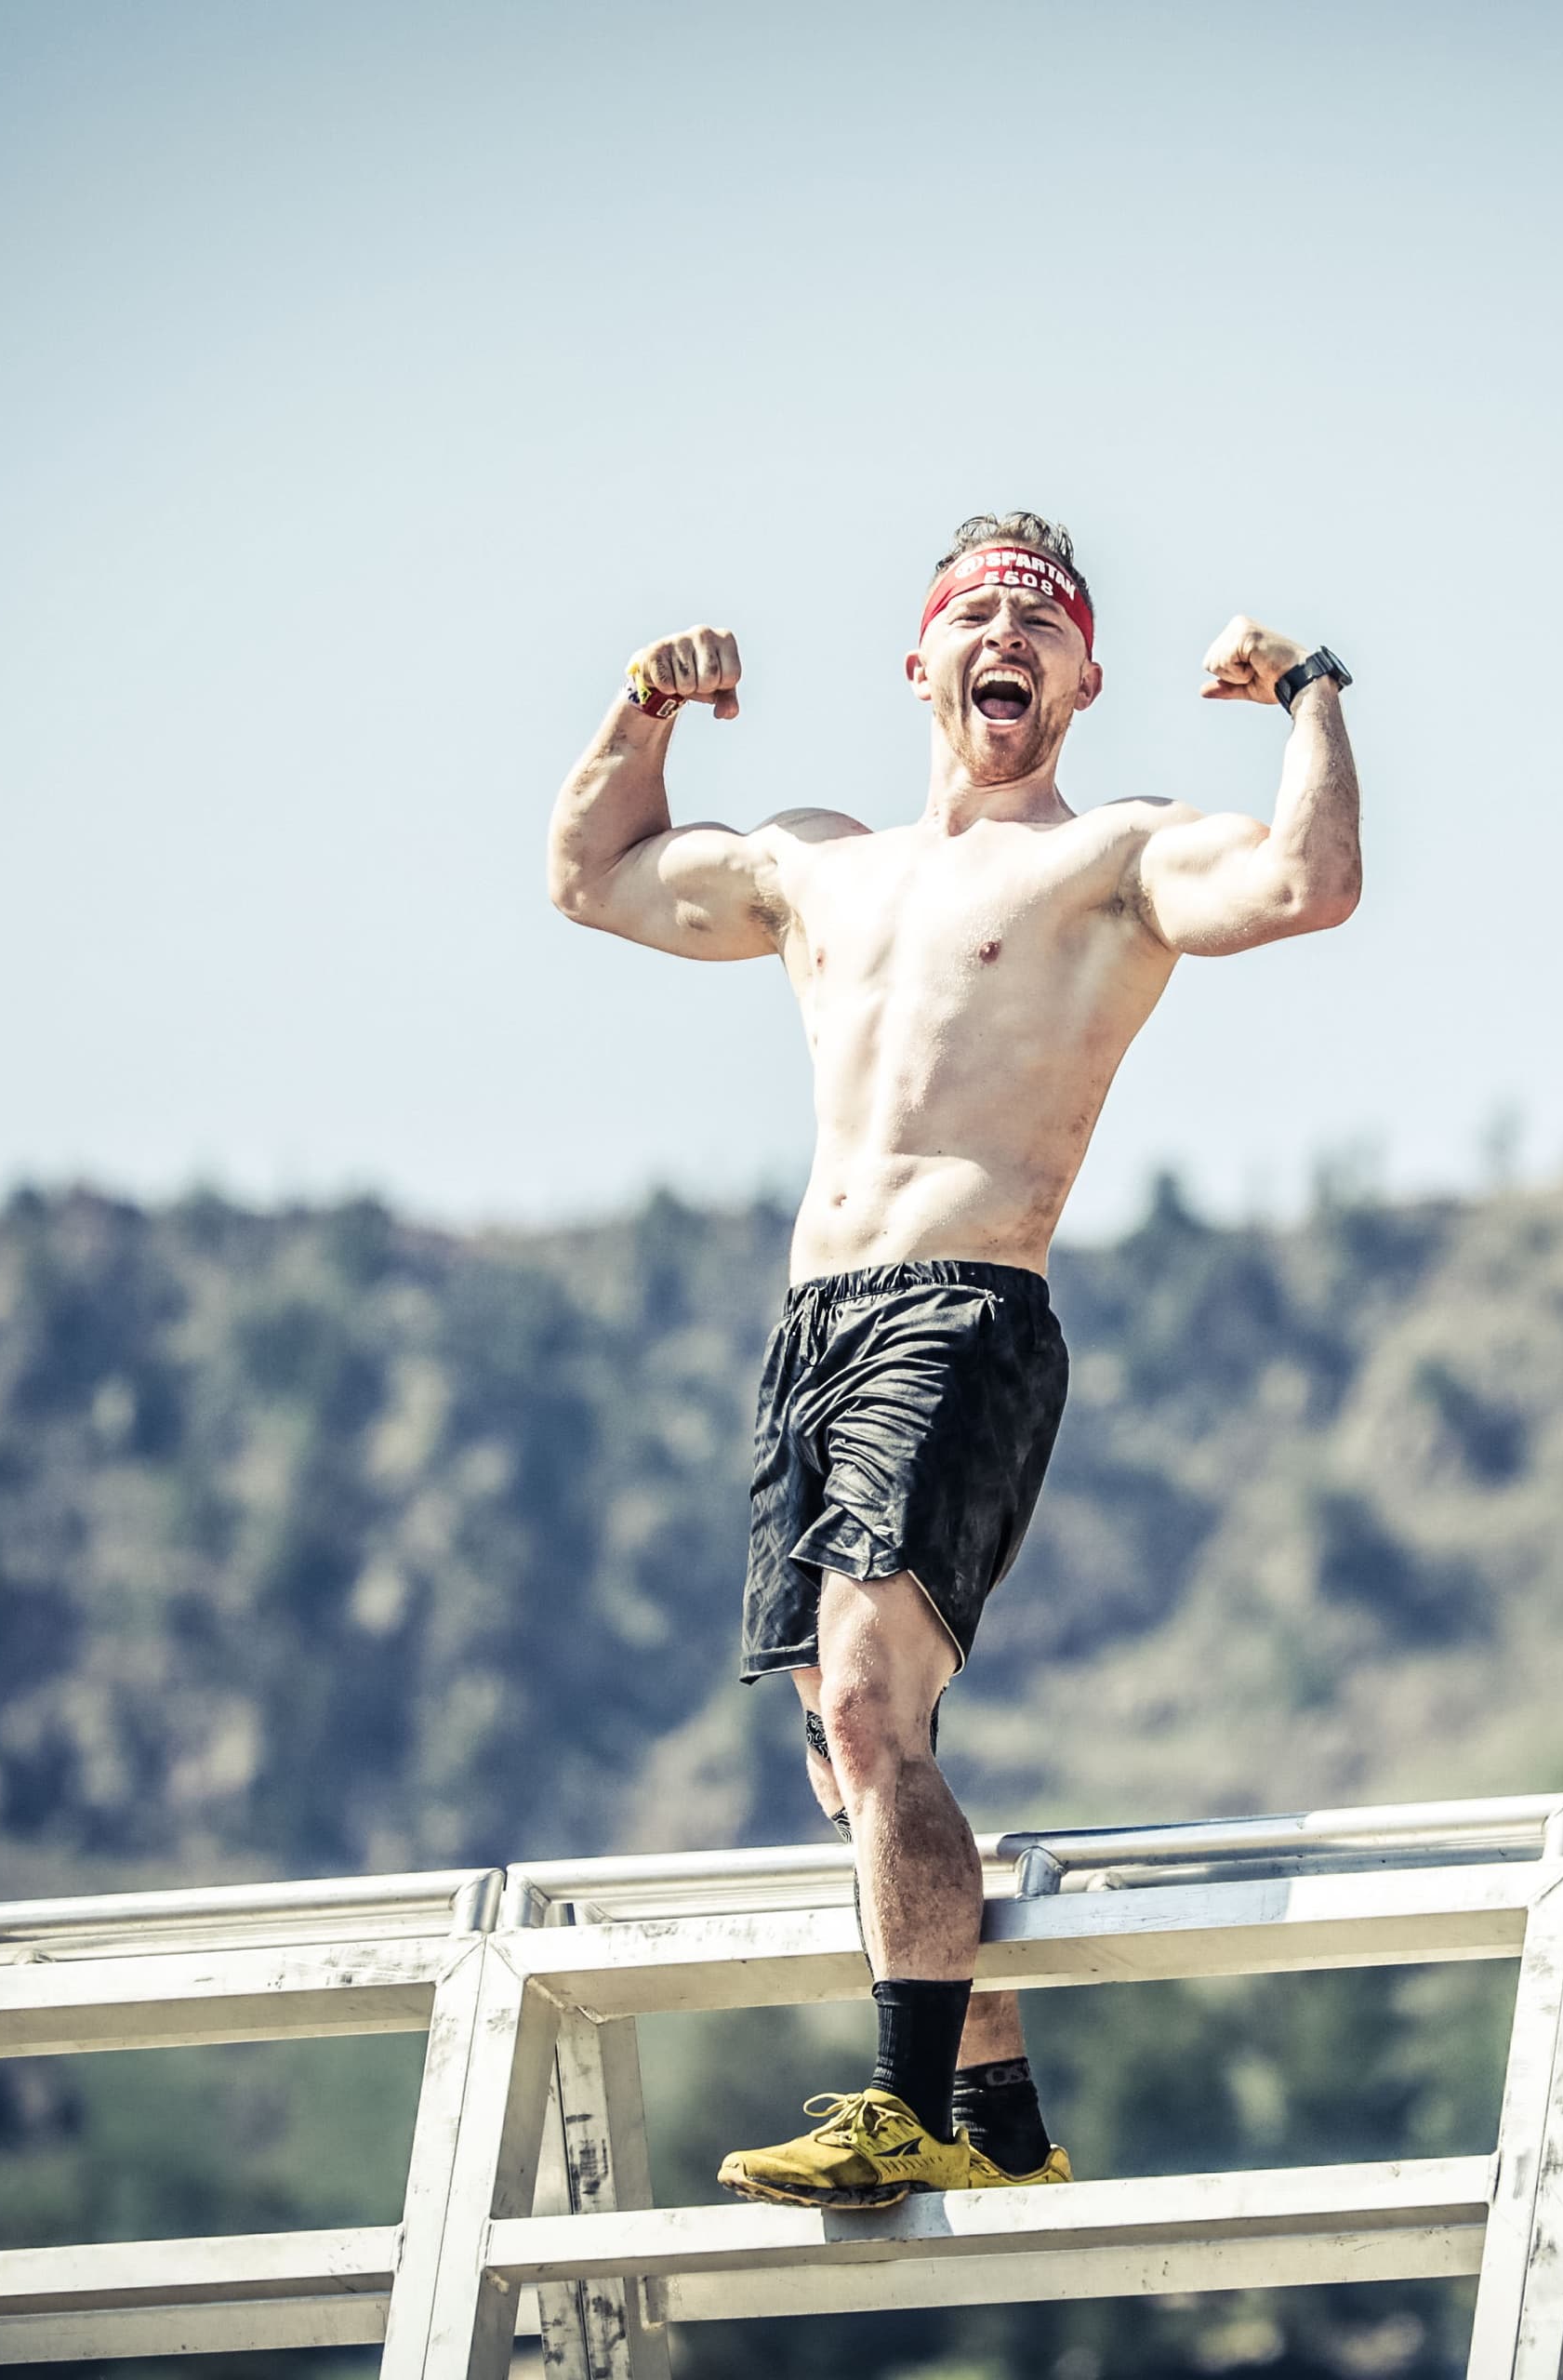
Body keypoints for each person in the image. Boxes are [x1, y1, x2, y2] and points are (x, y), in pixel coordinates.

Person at [545, 512, 1360, 2207]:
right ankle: (997, 2120)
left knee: (864, 1692)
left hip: (964, 1306)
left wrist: (1310, 695)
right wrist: (645, 706)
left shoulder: (1108, 857)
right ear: (921, 664)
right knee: (849, 1749)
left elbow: (1306, 883)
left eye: (1044, 618)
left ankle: (903, 2101)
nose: (1010, 631)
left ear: (1081, 679)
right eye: (977, 612)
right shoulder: (816, 867)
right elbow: (593, 878)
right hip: (812, 1329)